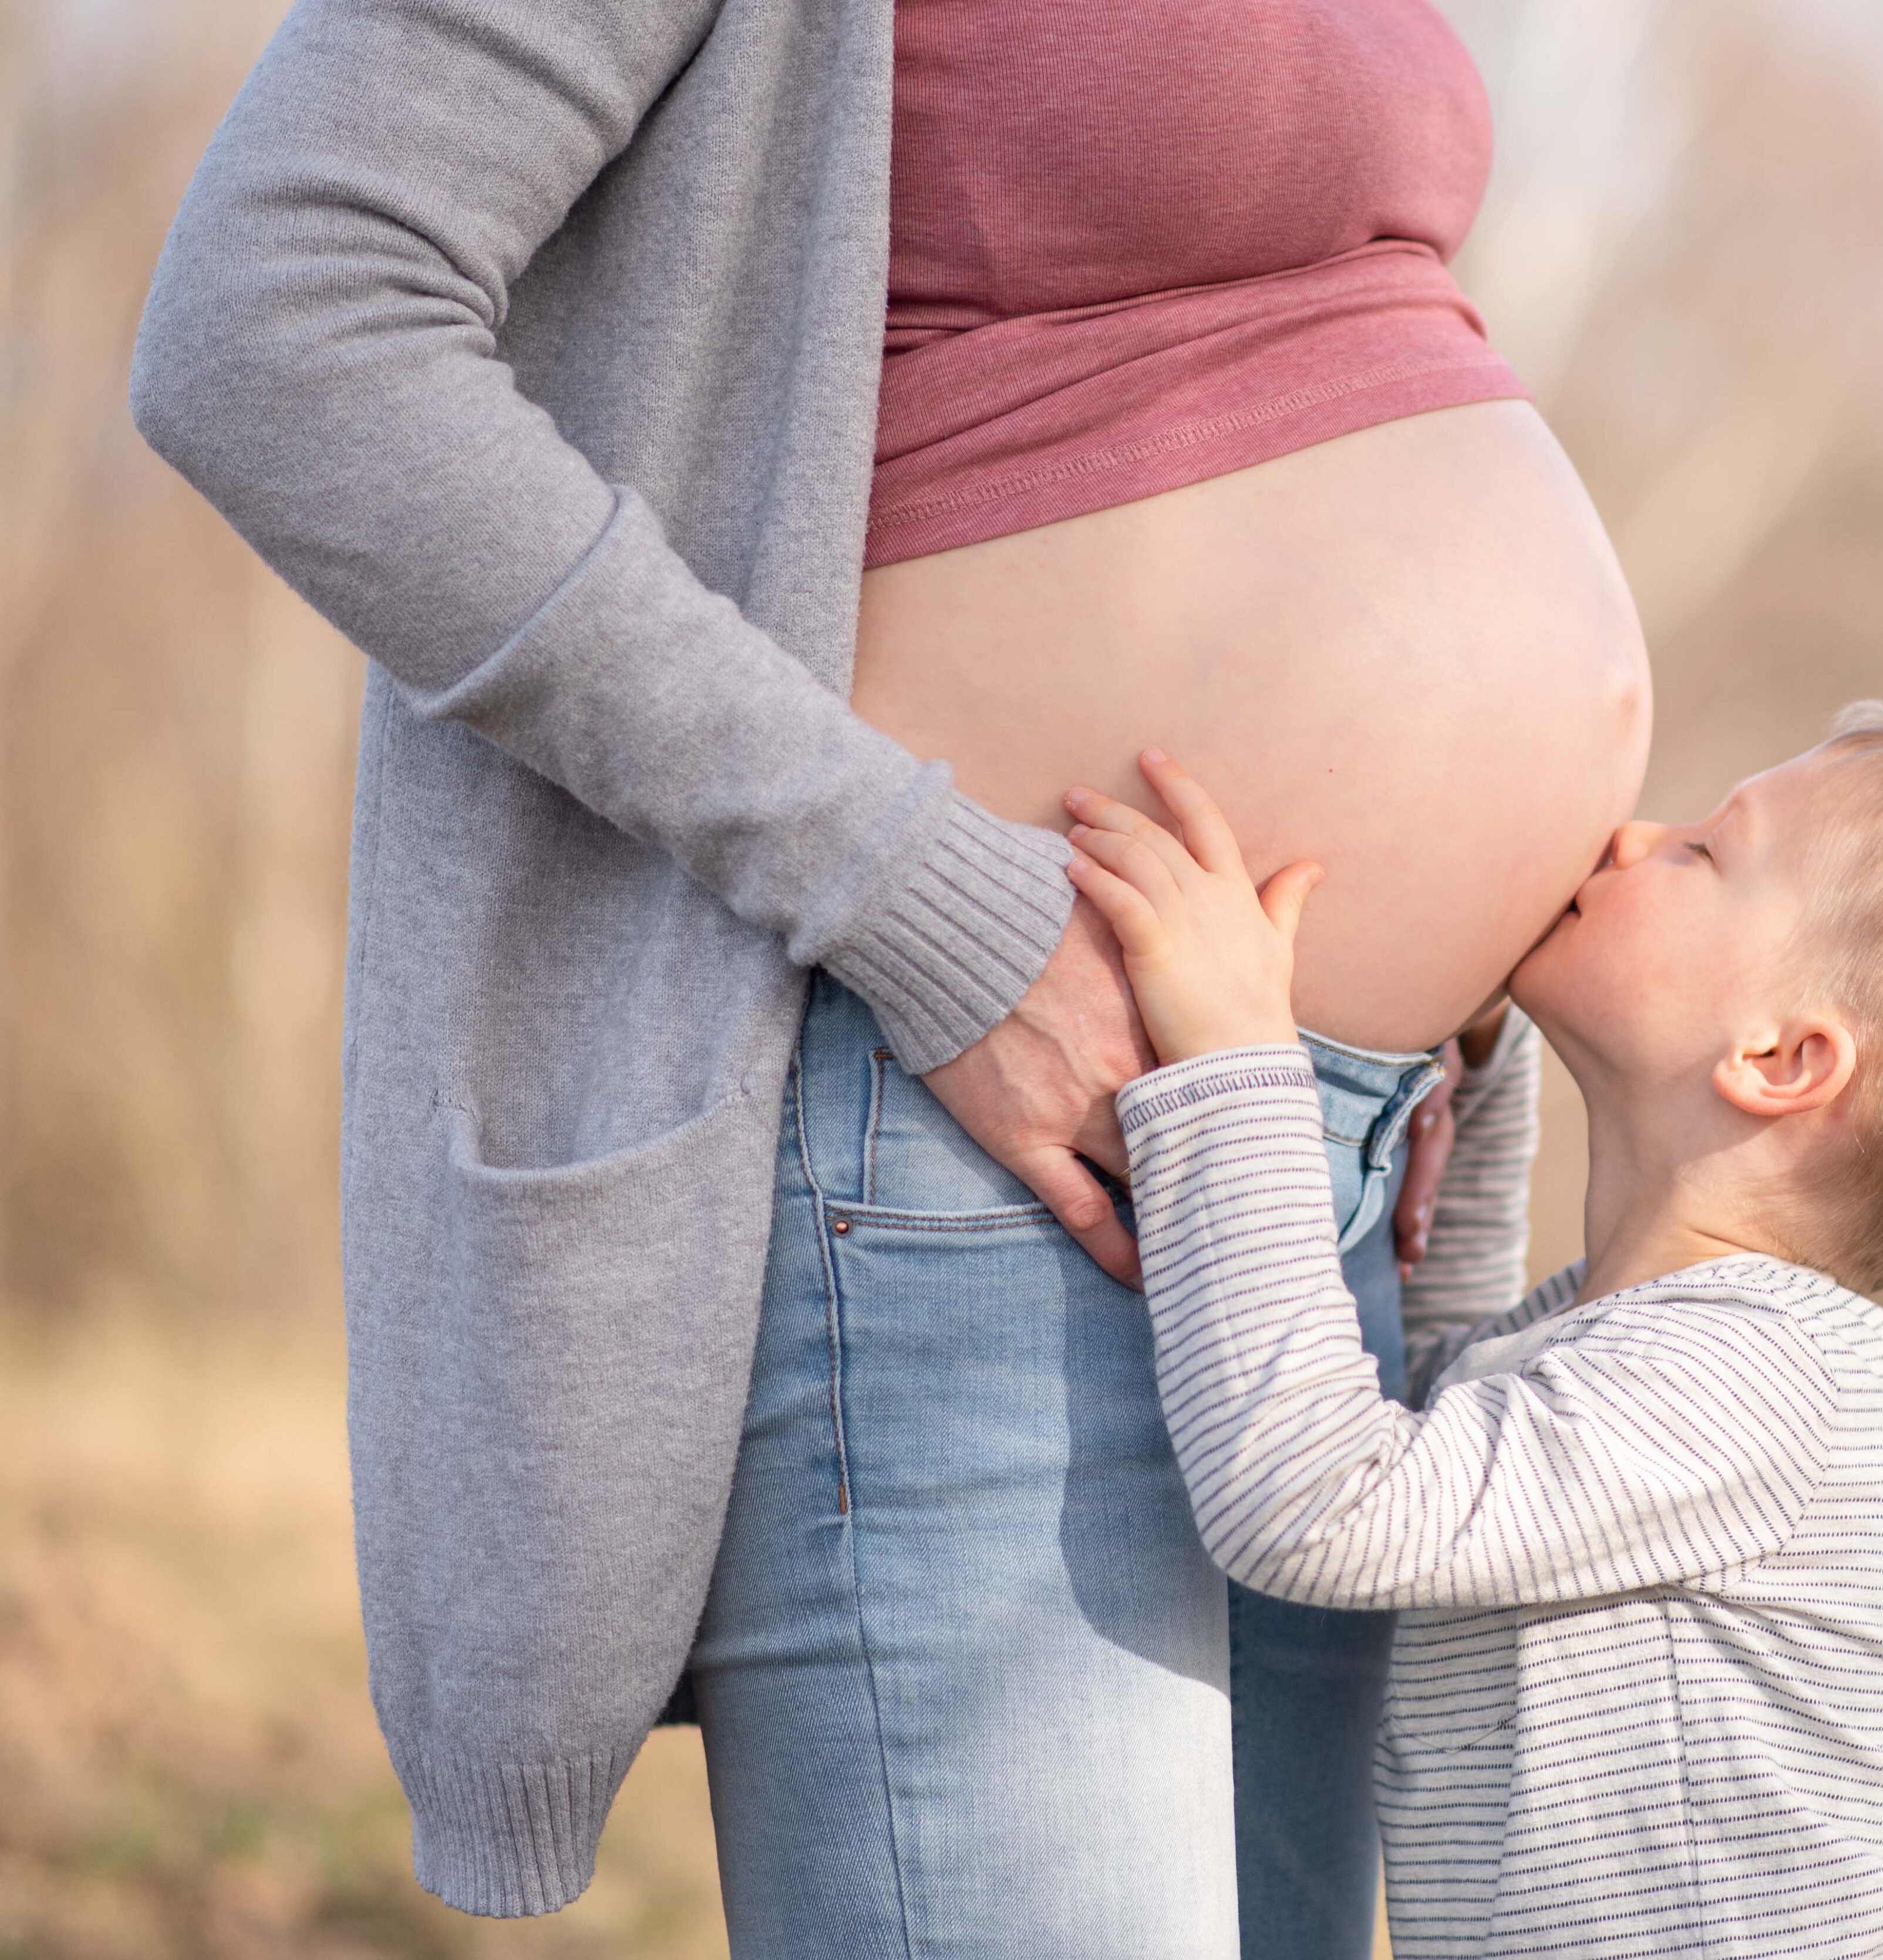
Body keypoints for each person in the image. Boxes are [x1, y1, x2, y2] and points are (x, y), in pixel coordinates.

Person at [130, 1, 1646, 1952]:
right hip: (971, 1147)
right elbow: (278, 323)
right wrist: (914, 894)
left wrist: (1439, 952)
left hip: (1291, 1155)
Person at [1066, 703, 1883, 1957]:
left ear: (1778, 1056)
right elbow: (1446, 1403)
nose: (1635, 834)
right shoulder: (1677, 1342)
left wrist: (1231, 1065)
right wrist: (1470, 1087)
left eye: (1705, 852)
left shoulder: (1757, 1376)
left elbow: (1321, 1498)